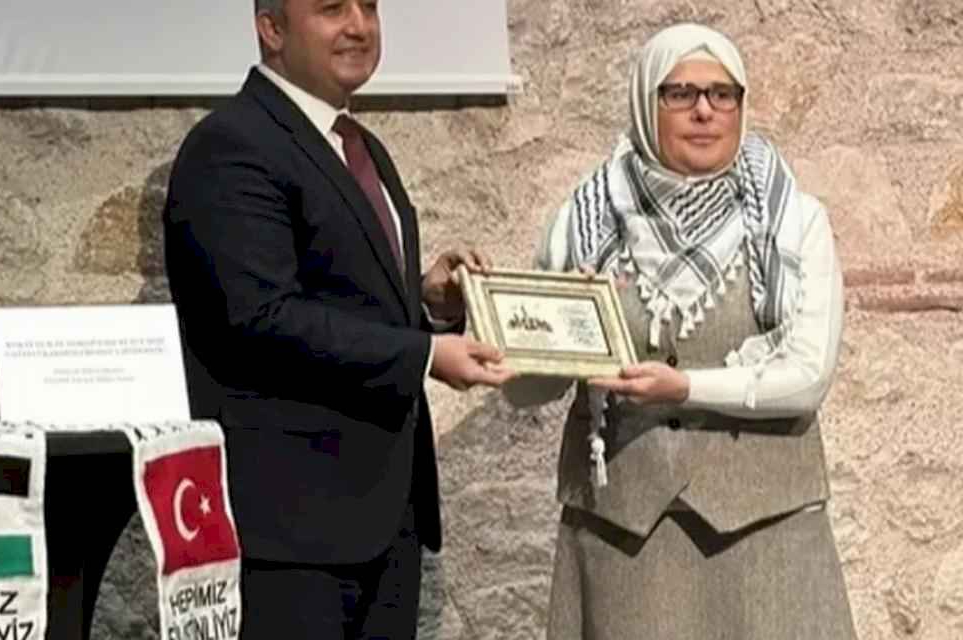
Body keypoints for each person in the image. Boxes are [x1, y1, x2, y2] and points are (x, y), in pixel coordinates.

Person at [161, 0, 514, 636]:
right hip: (289, 531)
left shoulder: (361, 147)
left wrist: (428, 302)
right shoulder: (231, 145)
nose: (359, 25)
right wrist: (425, 356)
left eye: (369, 6)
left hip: (384, 520)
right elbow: (259, 317)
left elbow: (346, 299)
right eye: (331, 8)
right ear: (272, 28)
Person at [504, 23, 857, 639]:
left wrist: (685, 387)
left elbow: (807, 376)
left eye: (723, 94)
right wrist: (534, 329)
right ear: (647, 103)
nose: (704, 110)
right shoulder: (586, 222)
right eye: (680, 93)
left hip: (768, 543)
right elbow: (526, 388)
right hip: (626, 543)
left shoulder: (791, 221)